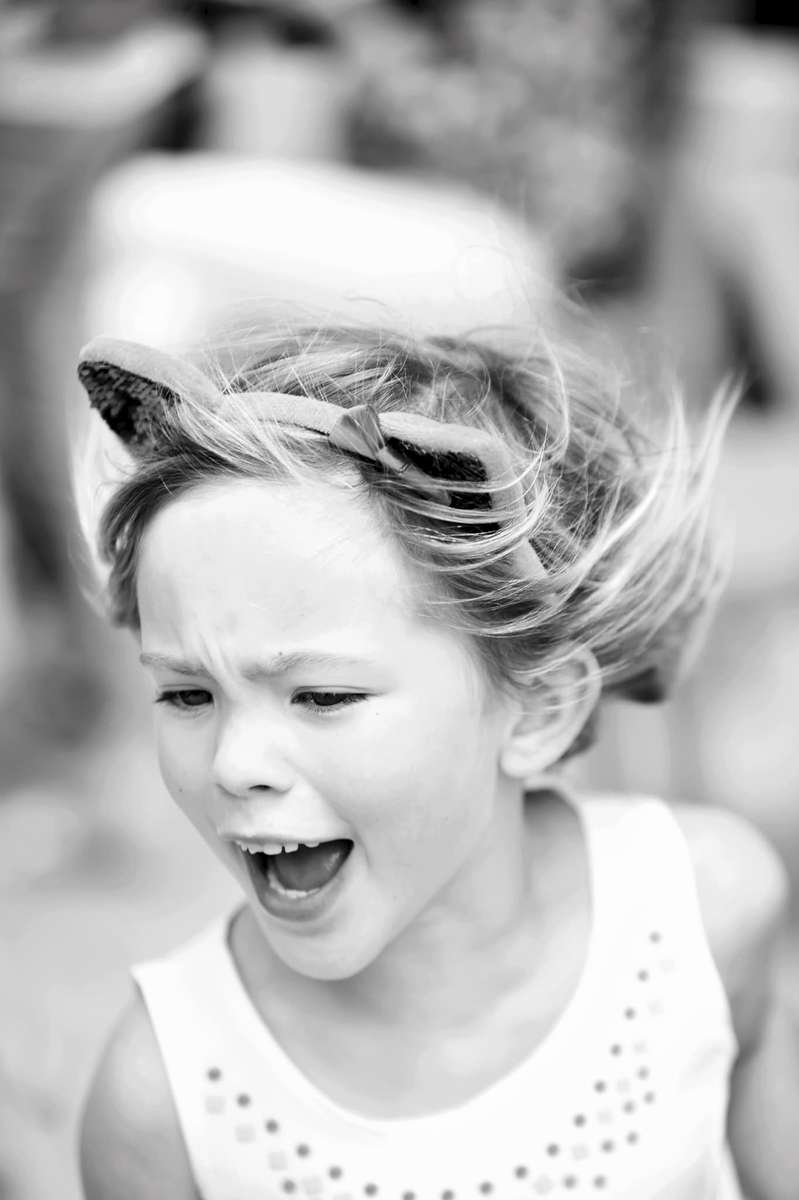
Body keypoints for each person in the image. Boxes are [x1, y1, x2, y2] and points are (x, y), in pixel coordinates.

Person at [73, 323, 798, 1199]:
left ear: (539, 709)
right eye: (187, 695)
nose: (234, 764)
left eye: (323, 696)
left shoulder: (703, 916)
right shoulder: (167, 1096)